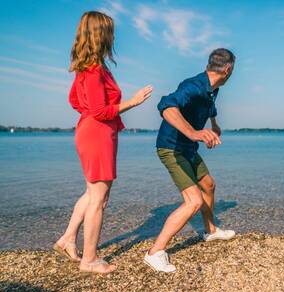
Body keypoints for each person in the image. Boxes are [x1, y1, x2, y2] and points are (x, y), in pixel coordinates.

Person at [53, 11, 153, 274]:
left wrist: (91, 112)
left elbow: (75, 101)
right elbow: (99, 111)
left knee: (93, 193)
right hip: (97, 134)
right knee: (99, 199)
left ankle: (68, 238)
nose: (113, 36)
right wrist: (133, 101)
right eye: (110, 31)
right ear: (101, 35)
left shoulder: (85, 67)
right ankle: (89, 260)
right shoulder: (95, 70)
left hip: (91, 131)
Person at [144, 48, 236, 272]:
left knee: (208, 184)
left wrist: (214, 125)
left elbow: (210, 107)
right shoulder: (193, 85)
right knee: (193, 201)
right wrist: (194, 133)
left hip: (187, 148)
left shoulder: (212, 89)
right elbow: (166, 106)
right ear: (227, 69)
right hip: (171, 148)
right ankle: (155, 252)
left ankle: (211, 231)